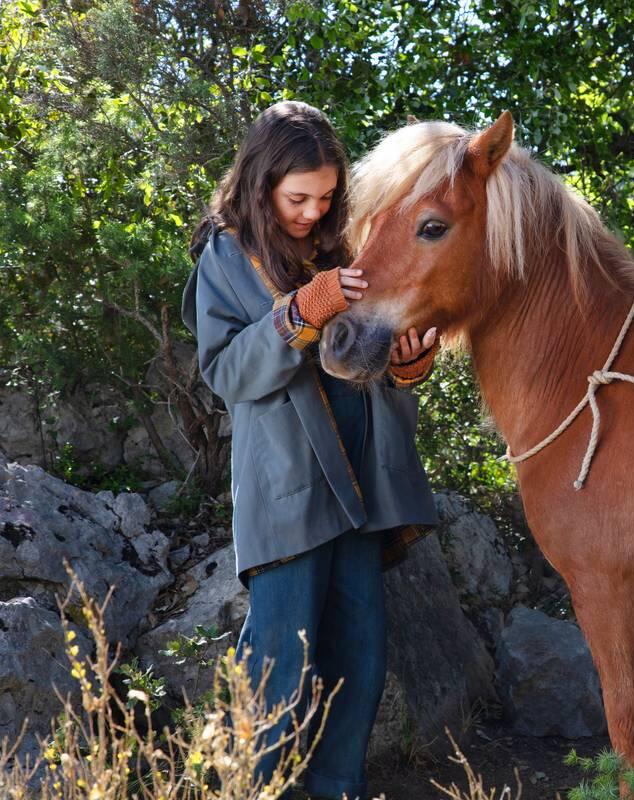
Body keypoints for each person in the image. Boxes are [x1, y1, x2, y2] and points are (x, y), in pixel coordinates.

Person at [180, 100, 439, 800]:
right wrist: (299, 313)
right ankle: (245, 792)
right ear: (262, 182)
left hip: (362, 487)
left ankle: (336, 790)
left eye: (326, 198)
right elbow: (228, 374)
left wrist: (409, 359)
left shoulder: (347, 244)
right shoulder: (227, 259)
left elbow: (373, 360)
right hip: (286, 491)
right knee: (277, 665)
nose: (311, 212)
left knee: (360, 658)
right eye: (298, 198)